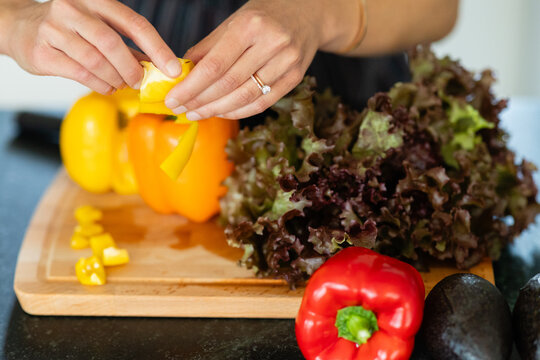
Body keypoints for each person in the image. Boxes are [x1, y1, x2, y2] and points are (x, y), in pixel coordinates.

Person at [0, 0, 458, 121]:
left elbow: (441, 6)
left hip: (348, 115)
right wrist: (15, 20)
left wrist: (319, 13)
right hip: (139, 144)